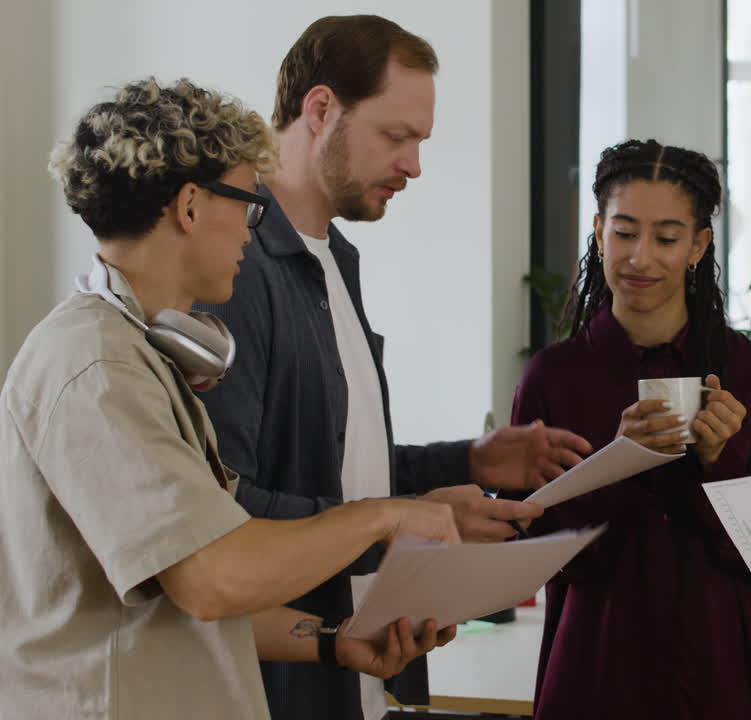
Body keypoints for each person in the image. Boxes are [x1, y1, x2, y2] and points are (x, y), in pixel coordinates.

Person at [0, 77, 461, 720]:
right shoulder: (97, 366)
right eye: (249, 207)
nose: (250, 234)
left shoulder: (139, 354)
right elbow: (213, 580)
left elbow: (184, 605)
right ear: (190, 206)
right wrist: (383, 518)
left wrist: (334, 642)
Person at [193, 16, 591, 720]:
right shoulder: (237, 269)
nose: (413, 166)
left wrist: (466, 461)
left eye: (419, 142)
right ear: (321, 111)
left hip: (363, 675)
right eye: (396, 136)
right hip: (278, 686)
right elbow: (224, 515)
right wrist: (408, 523)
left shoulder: (335, 257)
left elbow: (332, 470)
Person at [509, 139, 751, 720]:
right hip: (596, 664)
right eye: (624, 233)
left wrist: (717, 462)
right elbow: (527, 547)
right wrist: (619, 464)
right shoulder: (556, 377)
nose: (641, 258)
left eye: (667, 238)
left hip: (723, 667)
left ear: (699, 244)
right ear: (598, 231)